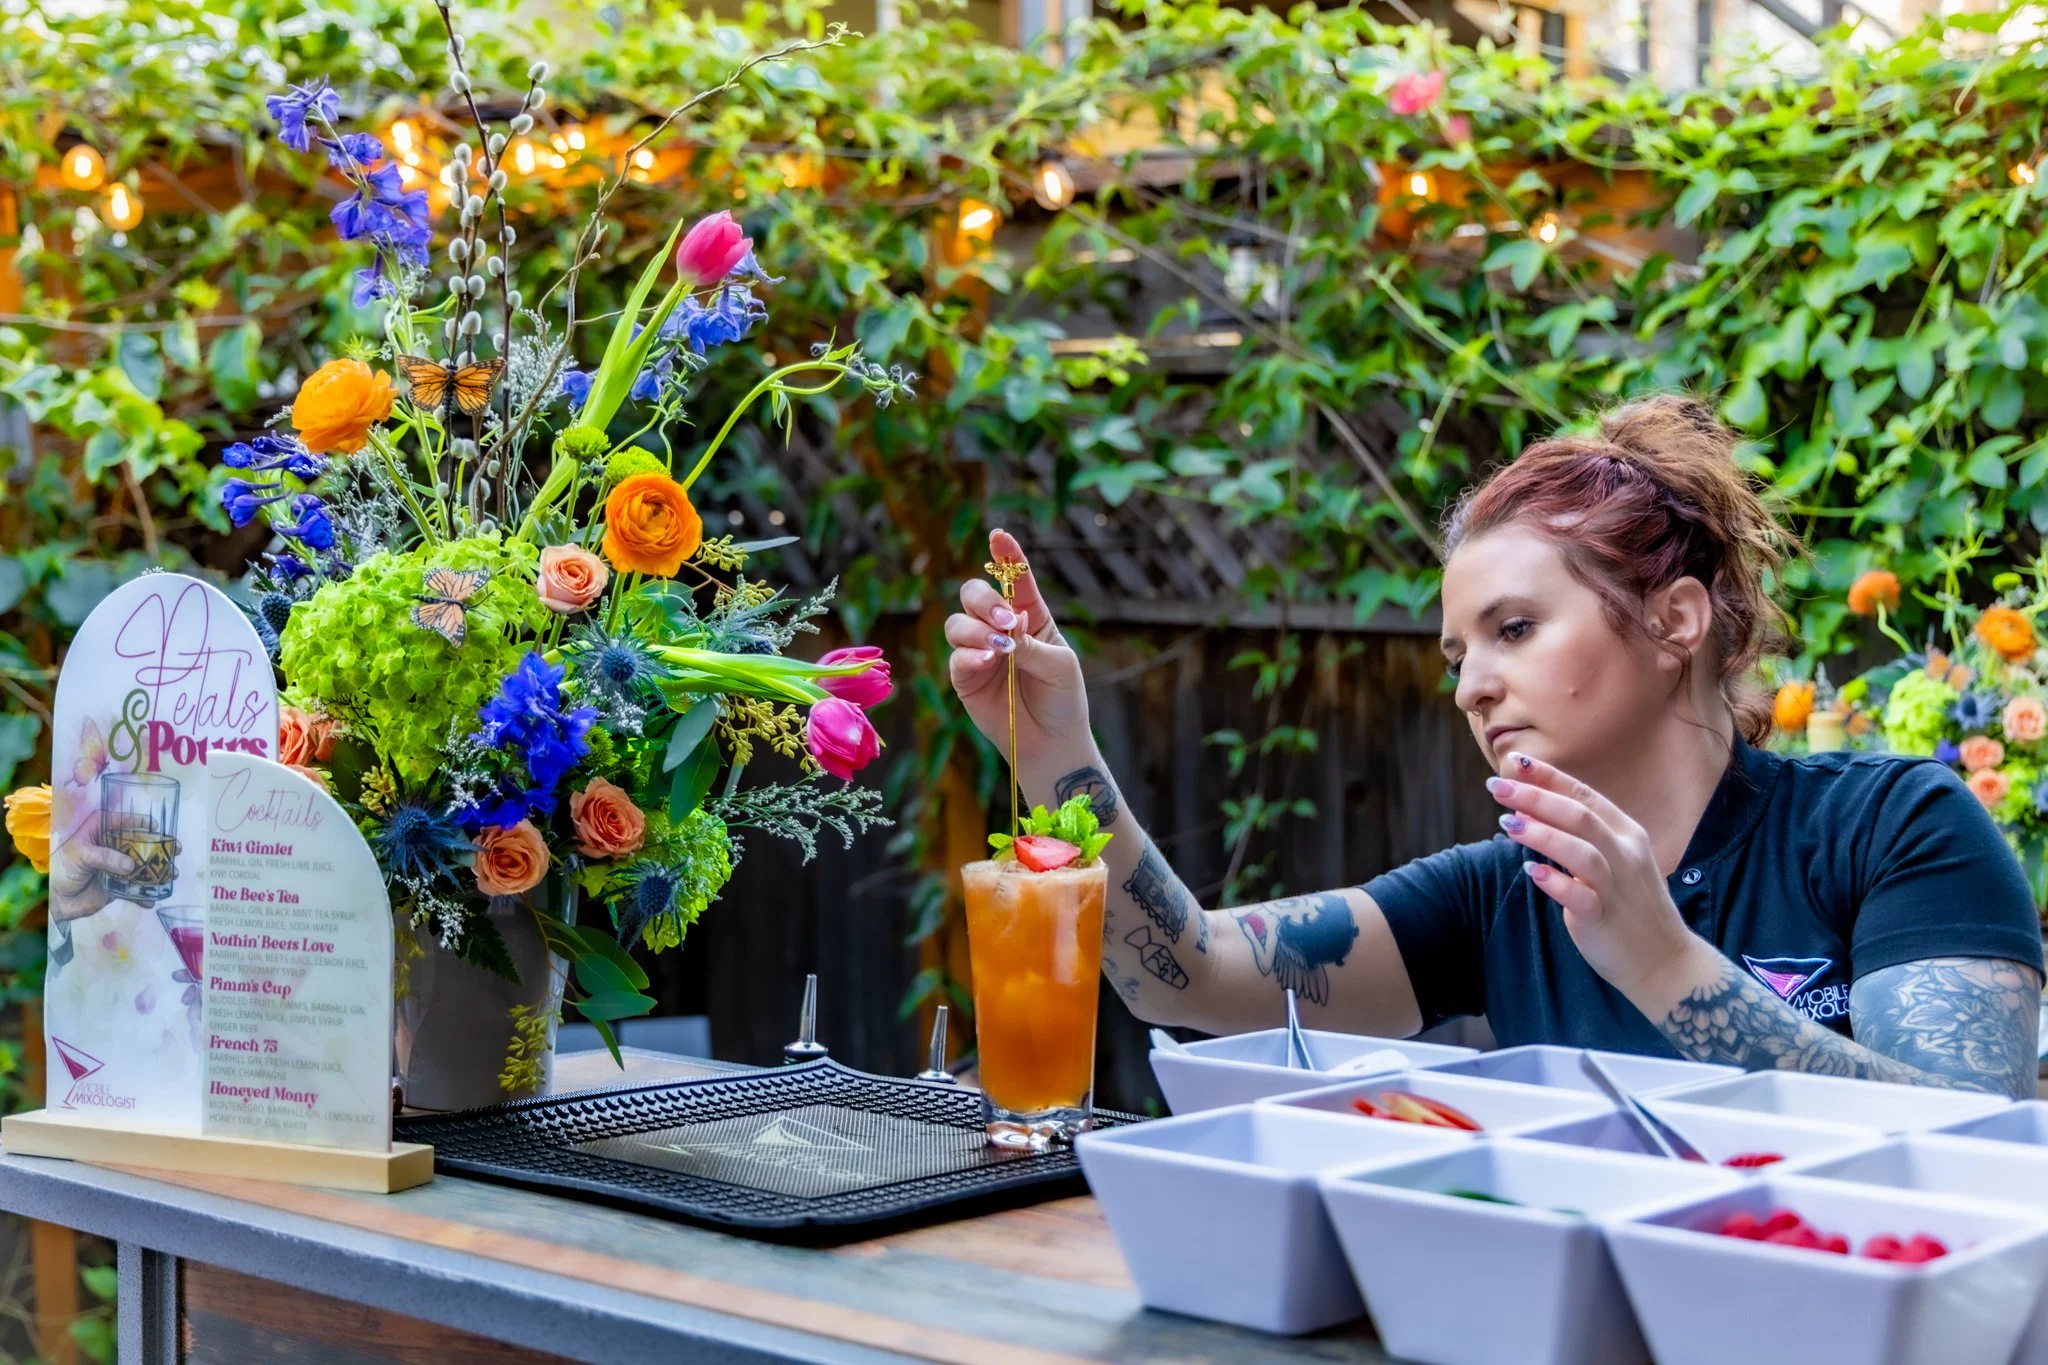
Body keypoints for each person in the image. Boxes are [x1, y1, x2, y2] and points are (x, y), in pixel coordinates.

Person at [947, 395, 2045, 1099]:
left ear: (1673, 621)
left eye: (1513, 630)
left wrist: (1661, 963)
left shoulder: (1887, 830)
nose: (1470, 684)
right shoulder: (1500, 897)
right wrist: (1053, 748)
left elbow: (1962, 1141)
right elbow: (1184, 976)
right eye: (1455, 652)